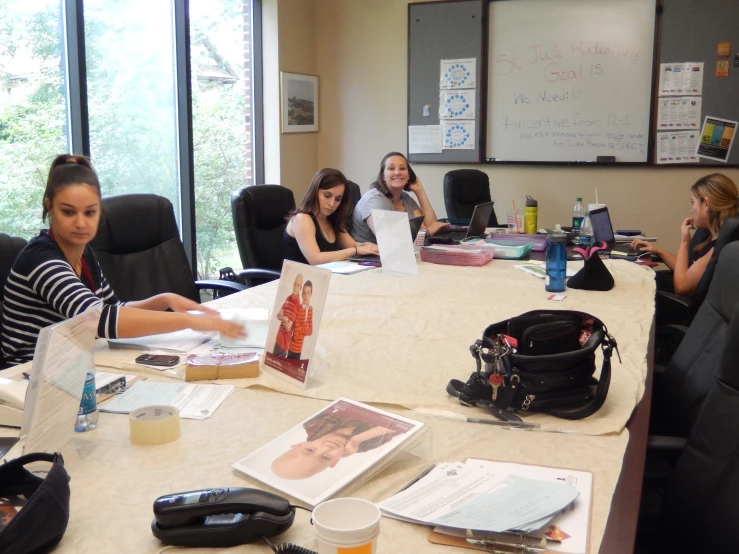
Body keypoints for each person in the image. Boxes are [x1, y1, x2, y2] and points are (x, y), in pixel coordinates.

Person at [0, 155, 245, 366]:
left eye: (90, 212)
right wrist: (190, 321)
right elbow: (99, 320)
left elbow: (112, 308)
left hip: (74, 365)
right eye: (68, 212)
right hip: (28, 377)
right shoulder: (41, 260)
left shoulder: (84, 253)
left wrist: (163, 300)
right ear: (49, 207)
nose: (81, 222)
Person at [630, 173, 739, 296]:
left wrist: (684, 242)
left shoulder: (717, 248)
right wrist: (658, 251)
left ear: (706, 204)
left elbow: (681, 287)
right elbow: (687, 270)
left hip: (674, 305)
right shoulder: (712, 235)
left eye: (693, 202)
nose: (691, 209)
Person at [351, 152, 450, 244]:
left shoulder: (405, 198)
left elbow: (431, 225)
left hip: (399, 254)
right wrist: (427, 232)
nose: (397, 172)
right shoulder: (374, 200)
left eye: (402, 168)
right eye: (391, 168)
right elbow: (390, 240)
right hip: (367, 259)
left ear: (408, 176)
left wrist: (420, 191)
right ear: (383, 177)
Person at [283, 168, 378, 265]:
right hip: (300, 278)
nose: (332, 204)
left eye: (337, 199)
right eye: (327, 196)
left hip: (325, 276)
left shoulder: (331, 219)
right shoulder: (302, 218)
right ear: (315, 192)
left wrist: (371, 247)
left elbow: (352, 245)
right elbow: (315, 259)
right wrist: (355, 250)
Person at [271, 411, 403, 480]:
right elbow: (401, 424)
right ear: (334, 462)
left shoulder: (313, 423)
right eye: (326, 458)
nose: (327, 448)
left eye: (310, 450)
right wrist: (359, 438)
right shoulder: (365, 444)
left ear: (300, 444)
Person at [273, 273, 303, 357]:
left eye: (298, 285)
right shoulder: (288, 298)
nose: (296, 287)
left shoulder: (297, 304)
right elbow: (278, 315)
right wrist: (284, 318)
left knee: (277, 362)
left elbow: (288, 326)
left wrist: (284, 318)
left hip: (284, 341)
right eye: (295, 284)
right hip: (279, 336)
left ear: (300, 287)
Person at [287, 280, 313, 360]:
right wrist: (304, 329)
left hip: (300, 348)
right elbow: (296, 335)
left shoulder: (310, 310)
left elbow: (311, 331)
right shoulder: (299, 309)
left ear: (311, 294)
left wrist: (301, 329)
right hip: (292, 348)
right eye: (304, 292)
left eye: (308, 292)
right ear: (302, 294)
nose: (305, 295)